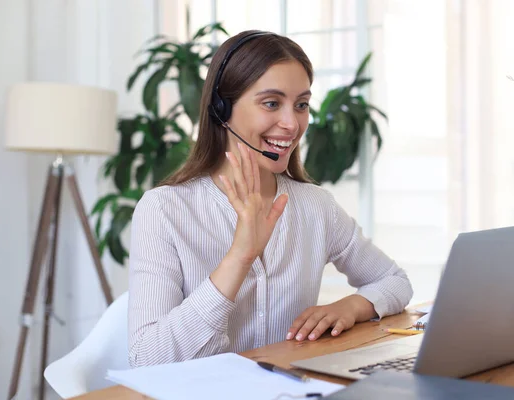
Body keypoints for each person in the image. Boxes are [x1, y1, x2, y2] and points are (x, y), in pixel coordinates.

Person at [127, 30, 413, 368]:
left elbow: (395, 282)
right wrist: (240, 257)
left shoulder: (316, 206)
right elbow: (146, 360)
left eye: (301, 105)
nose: (292, 124)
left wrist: (350, 307)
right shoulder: (164, 210)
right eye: (271, 103)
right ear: (222, 109)